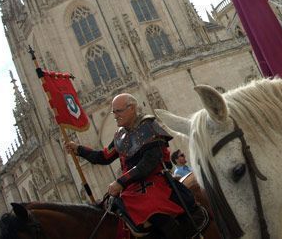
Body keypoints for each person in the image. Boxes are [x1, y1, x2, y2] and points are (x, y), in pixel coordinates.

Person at [65, 93, 205, 238]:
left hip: (155, 182)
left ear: (132, 108)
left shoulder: (149, 127)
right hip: (130, 187)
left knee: (152, 209)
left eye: (118, 111)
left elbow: (149, 163)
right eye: (113, 112)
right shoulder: (120, 135)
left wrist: (121, 181)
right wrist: (78, 149)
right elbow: (104, 157)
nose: (115, 115)